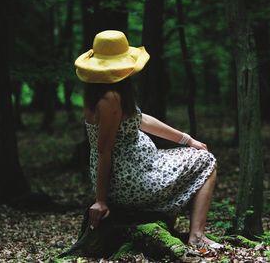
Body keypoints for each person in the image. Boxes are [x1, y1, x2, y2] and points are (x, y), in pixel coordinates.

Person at [75, 30, 221, 249]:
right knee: (207, 161)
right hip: (130, 179)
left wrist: (186, 139)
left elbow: (141, 119)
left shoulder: (104, 92)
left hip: (138, 169)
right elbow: (103, 150)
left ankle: (189, 230)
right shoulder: (110, 98)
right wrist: (101, 200)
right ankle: (197, 236)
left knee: (199, 154)